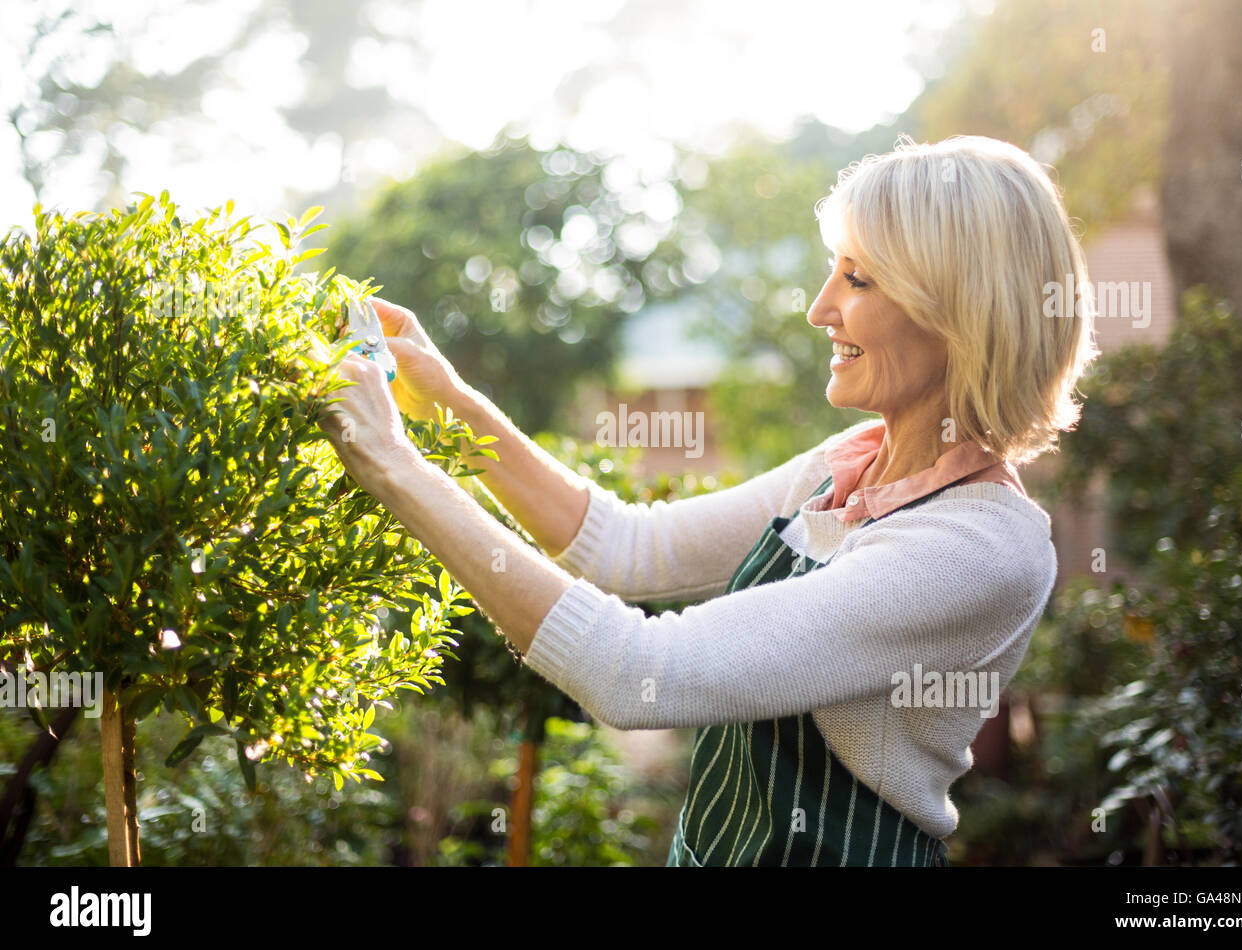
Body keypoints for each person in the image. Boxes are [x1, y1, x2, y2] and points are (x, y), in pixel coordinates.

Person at [318, 134, 1100, 867]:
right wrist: (449, 400)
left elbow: (640, 673)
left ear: (958, 314)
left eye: (857, 279)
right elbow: (626, 546)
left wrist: (392, 462)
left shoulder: (977, 546)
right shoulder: (846, 469)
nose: (819, 309)